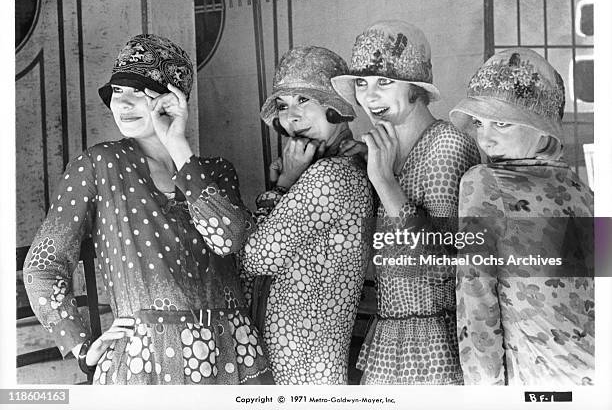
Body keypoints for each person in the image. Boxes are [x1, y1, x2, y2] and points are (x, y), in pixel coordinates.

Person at [24, 34, 271, 385]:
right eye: (117, 92)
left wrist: (178, 144)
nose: (122, 104)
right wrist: (81, 347)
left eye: (138, 93)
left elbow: (227, 240)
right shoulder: (99, 164)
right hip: (146, 357)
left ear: (173, 101)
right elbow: (42, 266)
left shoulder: (216, 171)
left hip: (232, 351)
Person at [331, 21, 480, 384]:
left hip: (436, 342)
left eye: (385, 82)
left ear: (415, 87)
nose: (370, 97)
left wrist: (384, 182)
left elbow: (445, 257)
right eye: (362, 84)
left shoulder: (447, 144)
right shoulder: (381, 146)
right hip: (387, 333)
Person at [449, 48, 594, 385]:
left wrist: (487, 394)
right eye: (479, 122)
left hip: (538, 379)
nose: (485, 137)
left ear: (544, 129)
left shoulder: (484, 182)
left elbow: (476, 302)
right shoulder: (584, 192)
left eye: (501, 122)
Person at [233, 46, 375, 384]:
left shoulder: (329, 176)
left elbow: (253, 259)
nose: (292, 117)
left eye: (304, 101)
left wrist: (281, 186)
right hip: (308, 357)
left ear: (335, 108)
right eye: (283, 106)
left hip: (297, 361)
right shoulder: (348, 167)